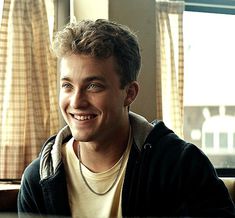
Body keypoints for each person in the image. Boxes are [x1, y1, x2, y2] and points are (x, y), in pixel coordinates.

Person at [17, 19, 235, 218]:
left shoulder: (181, 166)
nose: (76, 101)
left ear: (129, 93)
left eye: (93, 86)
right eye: (67, 86)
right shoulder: (38, 179)